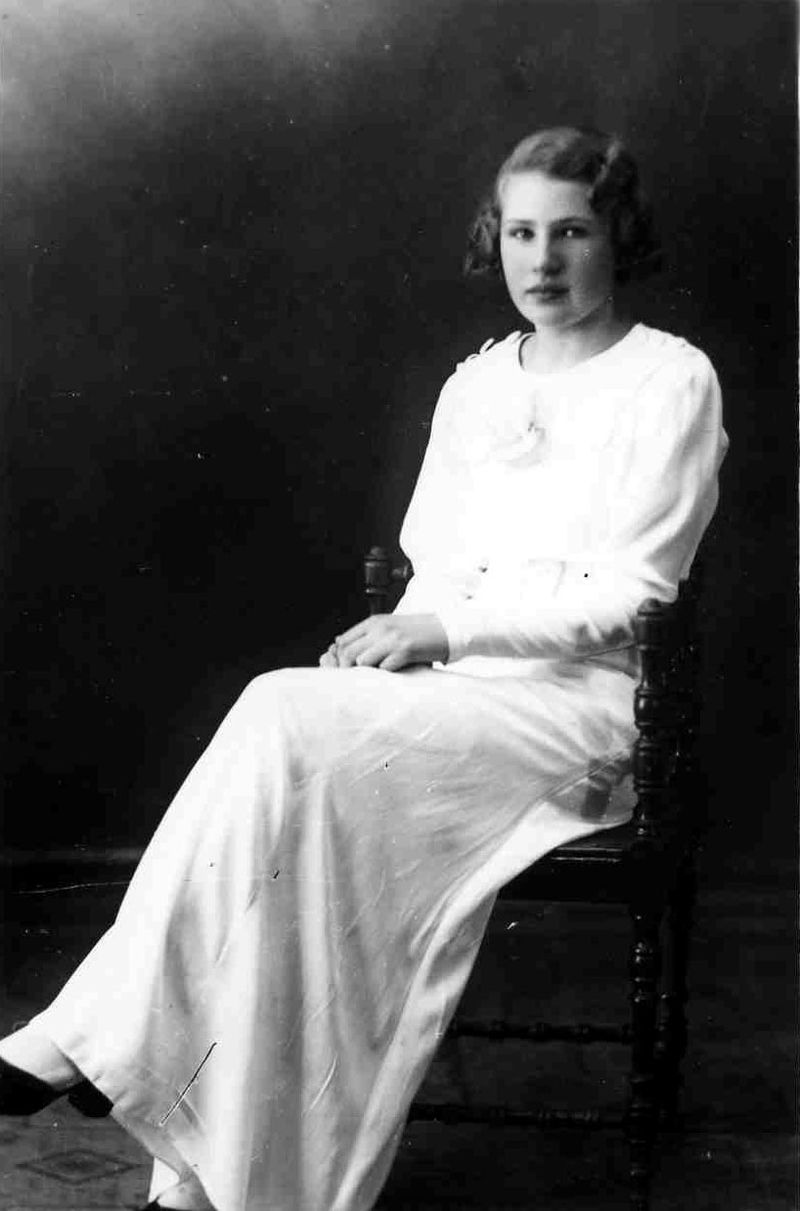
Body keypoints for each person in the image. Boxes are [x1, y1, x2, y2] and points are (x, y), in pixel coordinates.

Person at [0, 126, 728, 1211]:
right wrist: (397, 643)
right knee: (284, 814)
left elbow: (638, 593)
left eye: (571, 232)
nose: (541, 260)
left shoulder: (670, 379)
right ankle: (202, 1177)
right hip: (450, 700)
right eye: (520, 232)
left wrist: (442, 634)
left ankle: (92, 1037)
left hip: (579, 717)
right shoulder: (475, 384)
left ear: (616, 235)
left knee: (278, 715)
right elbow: (433, 561)